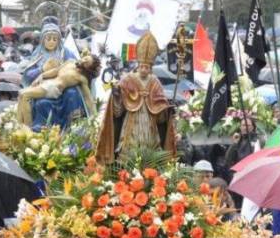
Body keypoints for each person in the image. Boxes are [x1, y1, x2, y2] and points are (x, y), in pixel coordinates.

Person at [96, 32, 176, 162]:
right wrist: (116, 96)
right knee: (129, 151)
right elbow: (117, 112)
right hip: (131, 122)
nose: (144, 69)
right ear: (138, 66)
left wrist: (167, 110)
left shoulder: (155, 82)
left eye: (147, 67)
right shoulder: (128, 79)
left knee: (149, 152)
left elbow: (161, 113)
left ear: (151, 68)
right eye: (142, 66)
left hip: (149, 123)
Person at [17, 52, 99, 129]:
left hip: (53, 89)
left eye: (87, 62)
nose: (83, 61)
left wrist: (95, 117)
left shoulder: (82, 78)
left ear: (89, 68)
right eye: (85, 58)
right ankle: (20, 125)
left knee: (25, 95)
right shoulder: (70, 62)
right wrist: (42, 76)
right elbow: (56, 71)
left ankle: (28, 128)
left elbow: (88, 99)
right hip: (47, 83)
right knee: (21, 94)